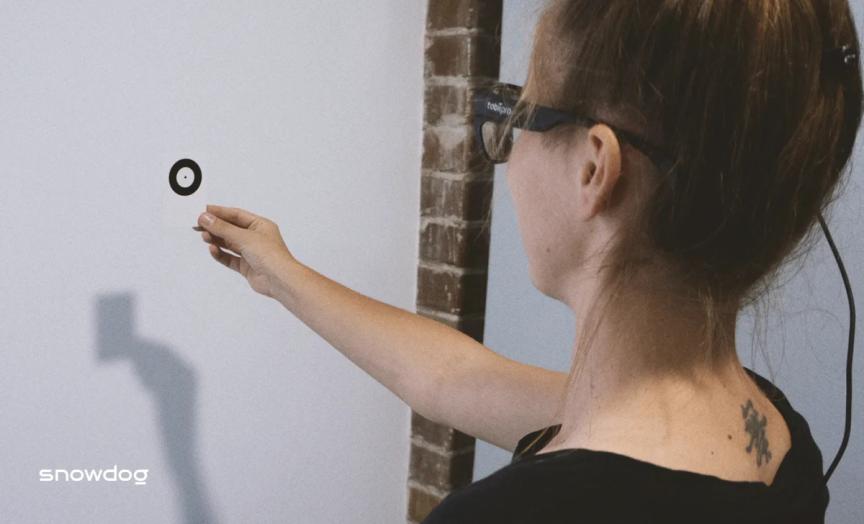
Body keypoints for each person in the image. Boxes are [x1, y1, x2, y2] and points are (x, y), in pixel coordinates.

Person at [194, 0, 861, 521]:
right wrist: (281, 273)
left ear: (595, 167)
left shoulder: (516, 515)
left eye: (518, 111)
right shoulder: (772, 436)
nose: (507, 148)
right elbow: (454, 378)